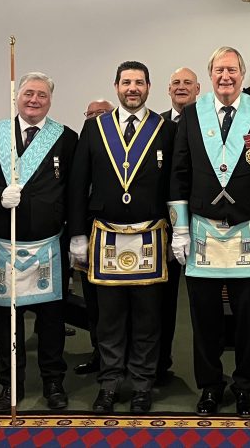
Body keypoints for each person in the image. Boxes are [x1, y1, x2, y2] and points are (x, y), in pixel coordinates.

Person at [168, 46, 250, 418]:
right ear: (210, 74)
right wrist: (180, 230)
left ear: (242, 74)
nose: (226, 76)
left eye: (232, 70)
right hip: (202, 230)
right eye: (219, 70)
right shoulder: (192, 114)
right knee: (205, 319)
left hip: (247, 229)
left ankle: (245, 386)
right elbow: (179, 174)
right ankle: (210, 386)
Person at [68, 62, 175, 414]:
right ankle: (110, 383)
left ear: (149, 87)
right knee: (109, 318)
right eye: (126, 82)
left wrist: (178, 232)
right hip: (105, 235)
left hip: (151, 236)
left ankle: (142, 384)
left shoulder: (165, 129)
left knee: (148, 318)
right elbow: (78, 184)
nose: (133, 88)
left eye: (139, 82)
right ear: (116, 86)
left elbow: (175, 185)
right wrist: (78, 234)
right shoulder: (94, 128)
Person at [0, 72, 78, 412]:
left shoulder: (66, 138)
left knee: (51, 321)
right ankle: (10, 385)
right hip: (6, 244)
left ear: (50, 100)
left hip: (49, 245)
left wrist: (76, 238)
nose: (34, 100)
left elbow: (73, 192)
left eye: (42, 95)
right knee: (8, 323)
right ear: (17, 96)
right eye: (29, 93)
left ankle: (53, 382)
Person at [153, 68, 199, 385]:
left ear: (198, 89)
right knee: (162, 302)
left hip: (202, 223)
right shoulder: (155, 125)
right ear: (168, 89)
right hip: (164, 225)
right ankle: (158, 364)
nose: (181, 87)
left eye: (187, 83)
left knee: (202, 302)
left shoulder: (207, 122)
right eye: (176, 83)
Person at [72, 99, 114, 377]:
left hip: (117, 234)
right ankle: (99, 354)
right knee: (93, 302)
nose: (96, 117)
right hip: (88, 235)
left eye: (102, 113)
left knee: (117, 305)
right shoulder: (80, 144)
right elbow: (75, 190)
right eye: (91, 113)